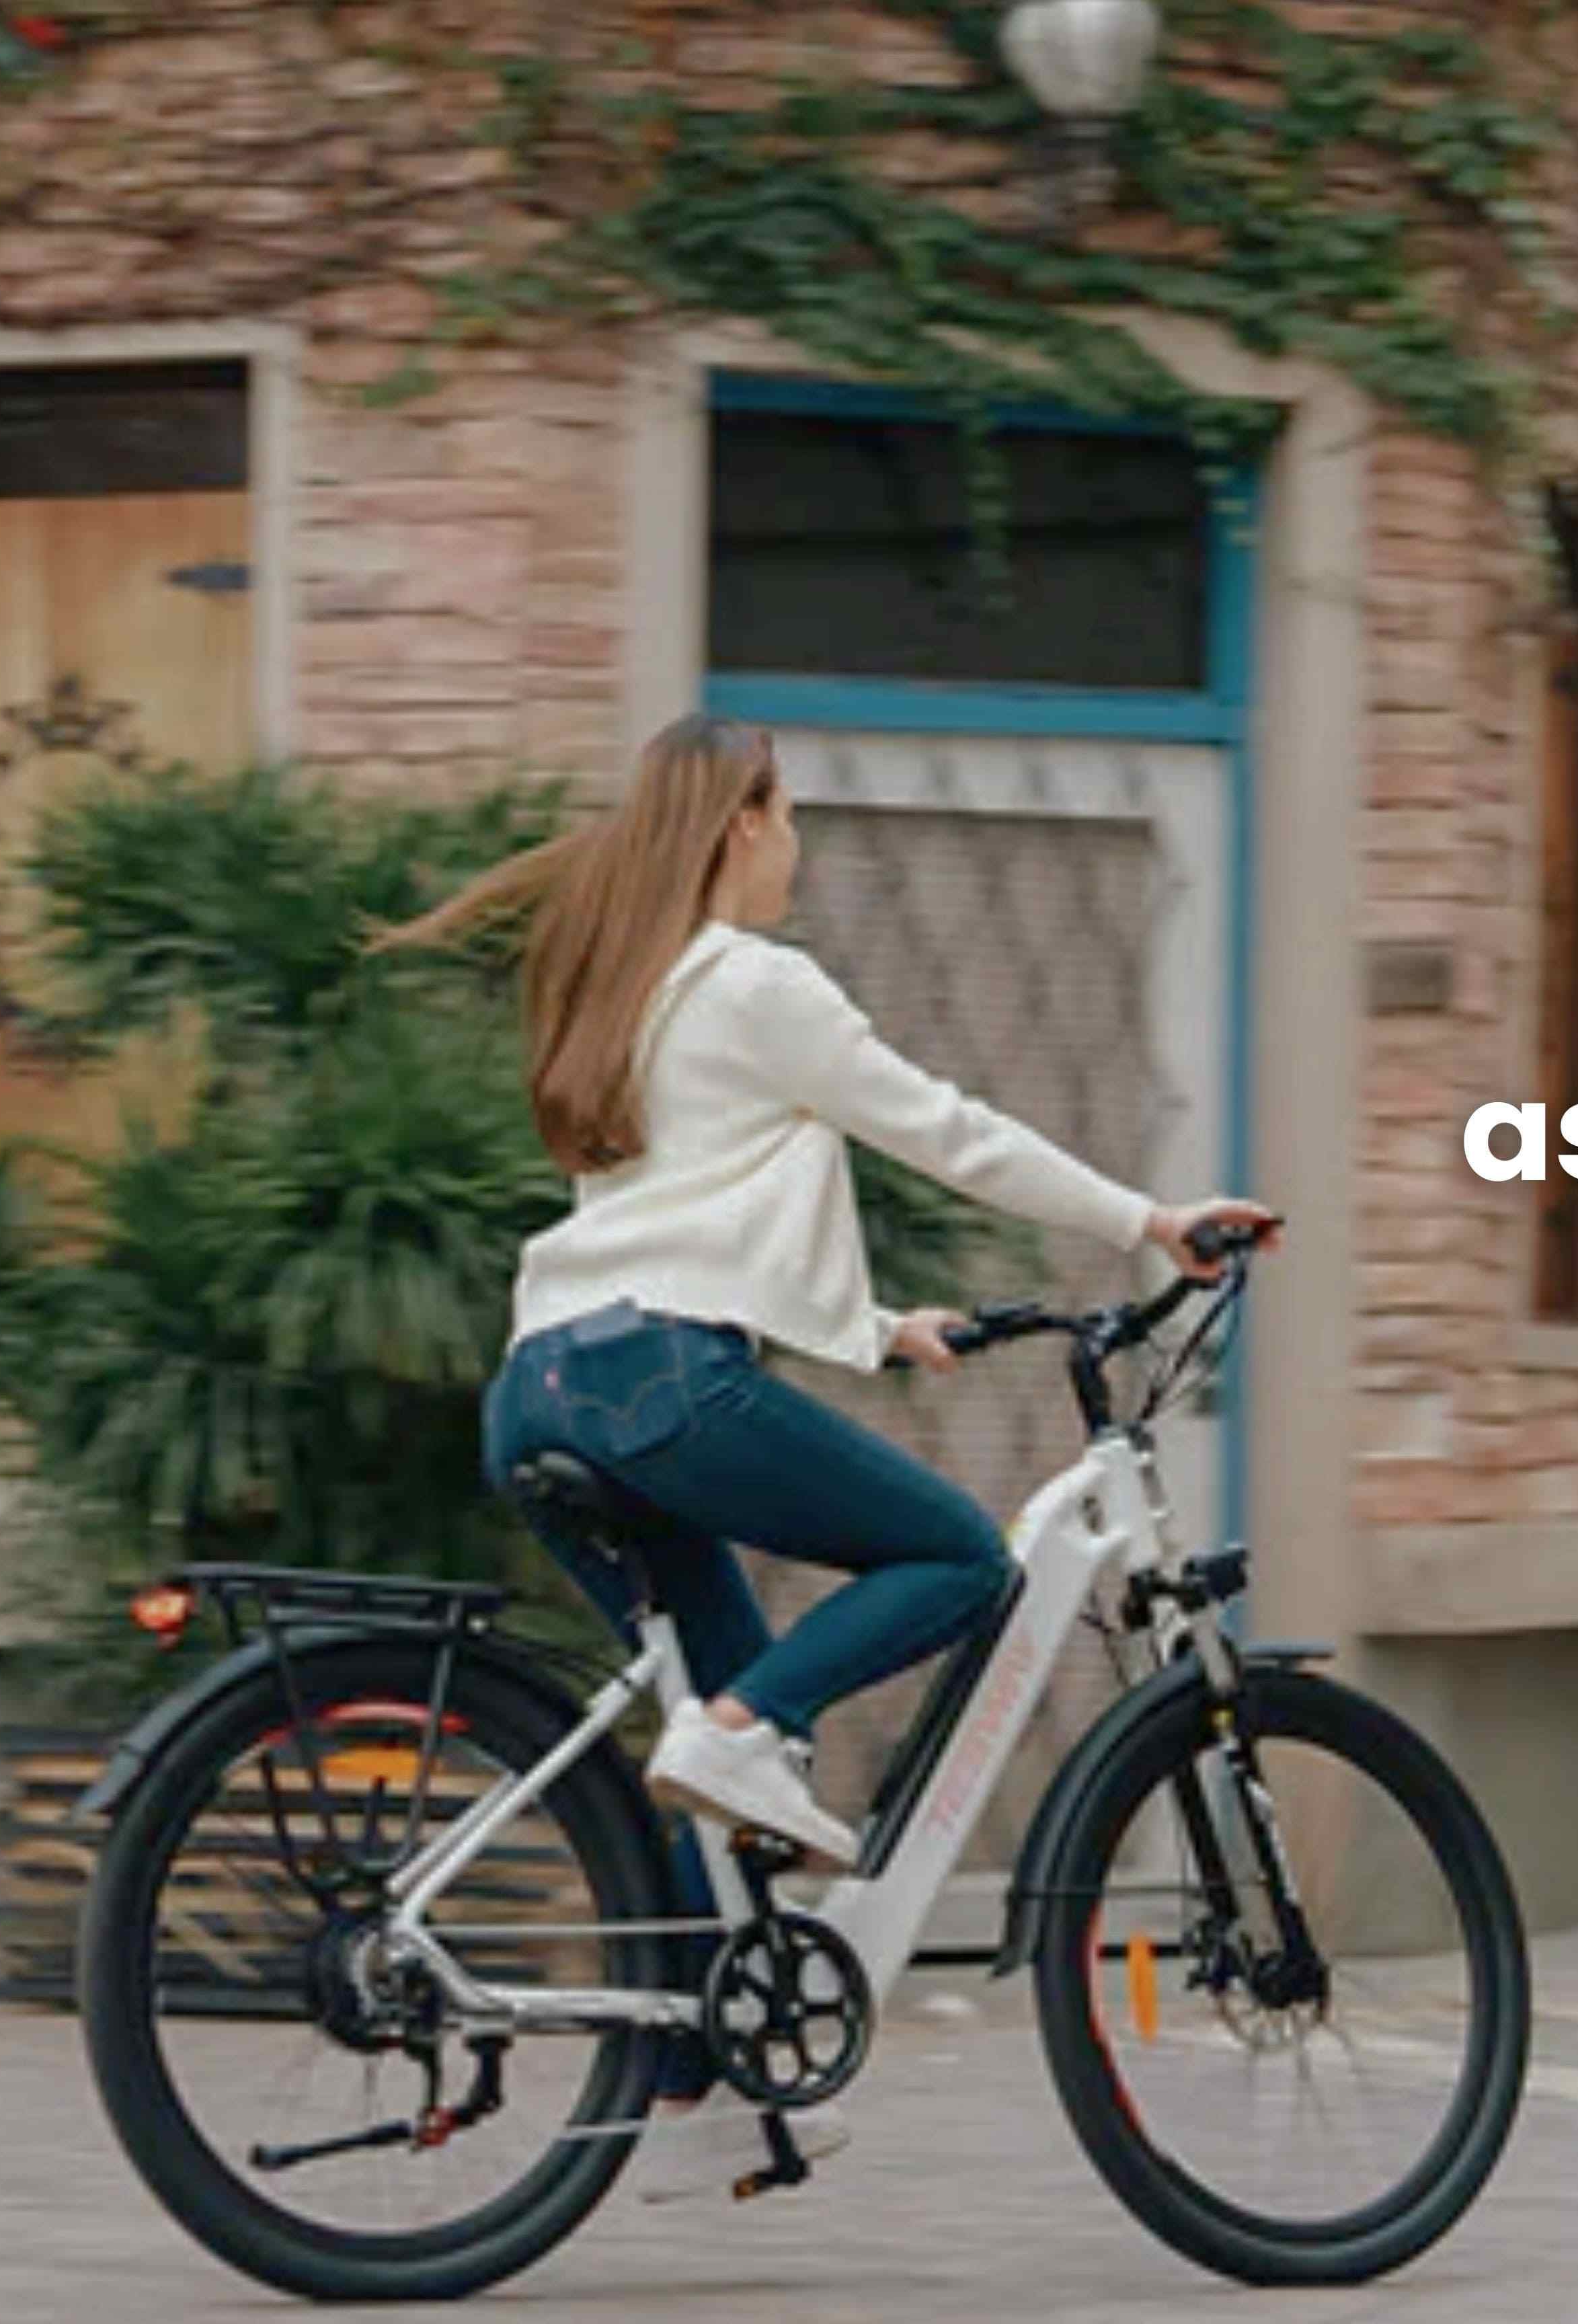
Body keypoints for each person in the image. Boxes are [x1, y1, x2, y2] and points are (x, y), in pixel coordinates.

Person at [382, 711, 1272, 2192]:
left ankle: (697, 2096)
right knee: (955, 1558)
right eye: (788, 814)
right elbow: (950, 1131)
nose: (800, 842)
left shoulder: (634, 991)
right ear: (739, 824)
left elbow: (691, 1210)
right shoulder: (755, 983)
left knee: (709, 1727)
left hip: (550, 1382)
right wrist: (1149, 1223)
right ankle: (740, 1741)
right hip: (656, 1381)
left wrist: (874, 1329)